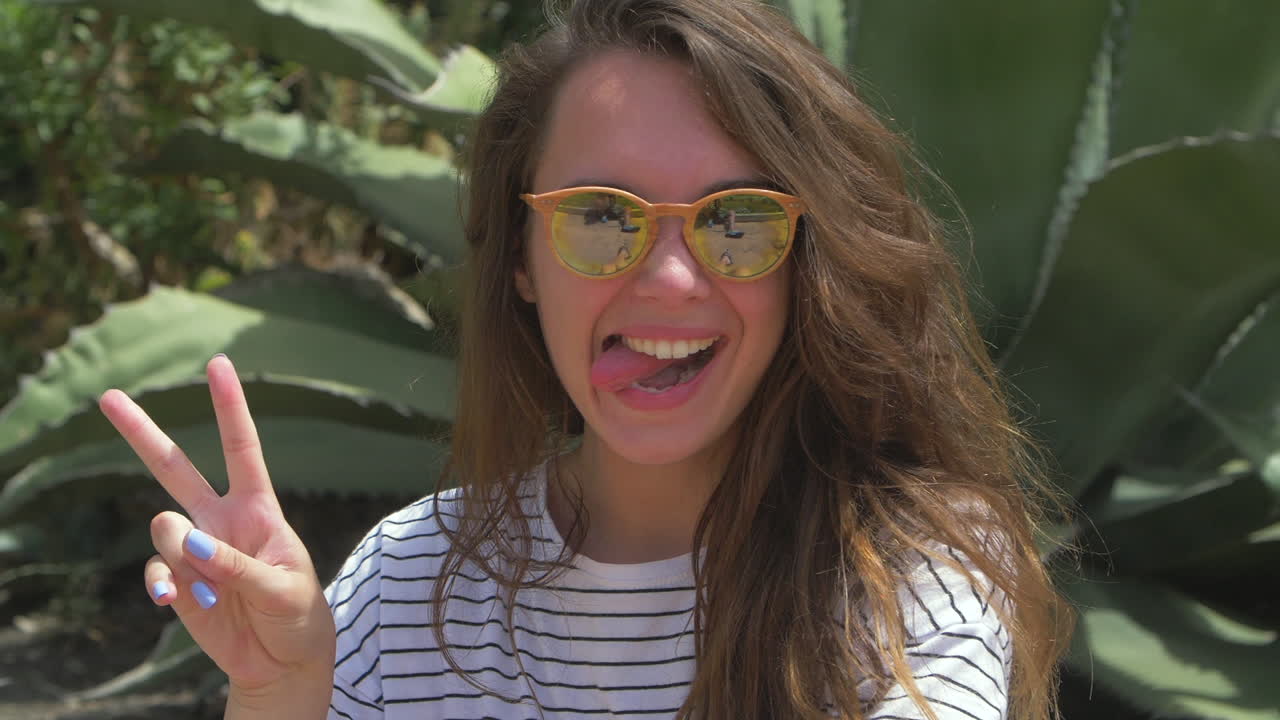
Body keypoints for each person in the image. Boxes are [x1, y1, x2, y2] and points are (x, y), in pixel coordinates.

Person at [97, 0, 1072, 718]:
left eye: (736, 221)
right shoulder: (406, 584)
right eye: (601, 217)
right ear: (521, 261)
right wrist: (279, 696)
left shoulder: (908, 571)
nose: (672, 280)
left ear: (803, 263)